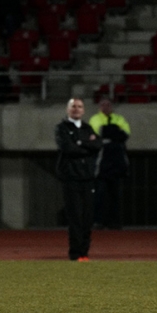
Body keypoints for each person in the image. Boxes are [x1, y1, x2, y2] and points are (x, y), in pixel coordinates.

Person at [56, 98, 102, 261]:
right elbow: (68, 148)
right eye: (73, 106)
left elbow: (98, 145)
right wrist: (87, 145)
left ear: (83, 110)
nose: (76, 109)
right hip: (71, 179)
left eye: (79, 106)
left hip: (88, 178)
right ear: (68, 109)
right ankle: (75, 253)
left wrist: (80, 142)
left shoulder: (87, 127)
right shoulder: (62, 128)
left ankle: (84, 252)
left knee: (87, 217)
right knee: (75, 216)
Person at [89, 97, 130, 230]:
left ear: (111, 106)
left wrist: (109, 132)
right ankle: (98, 221)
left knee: (115, 195)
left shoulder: (119, 118)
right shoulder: (95, 119)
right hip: (101, 164)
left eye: (108, 105)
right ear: (99, 107)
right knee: (99, 194)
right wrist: (115, 131)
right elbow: (96, 133)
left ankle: (114, 222)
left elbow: (126, 134)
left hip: (116, 163)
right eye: (103, 105)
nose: (105, 107)